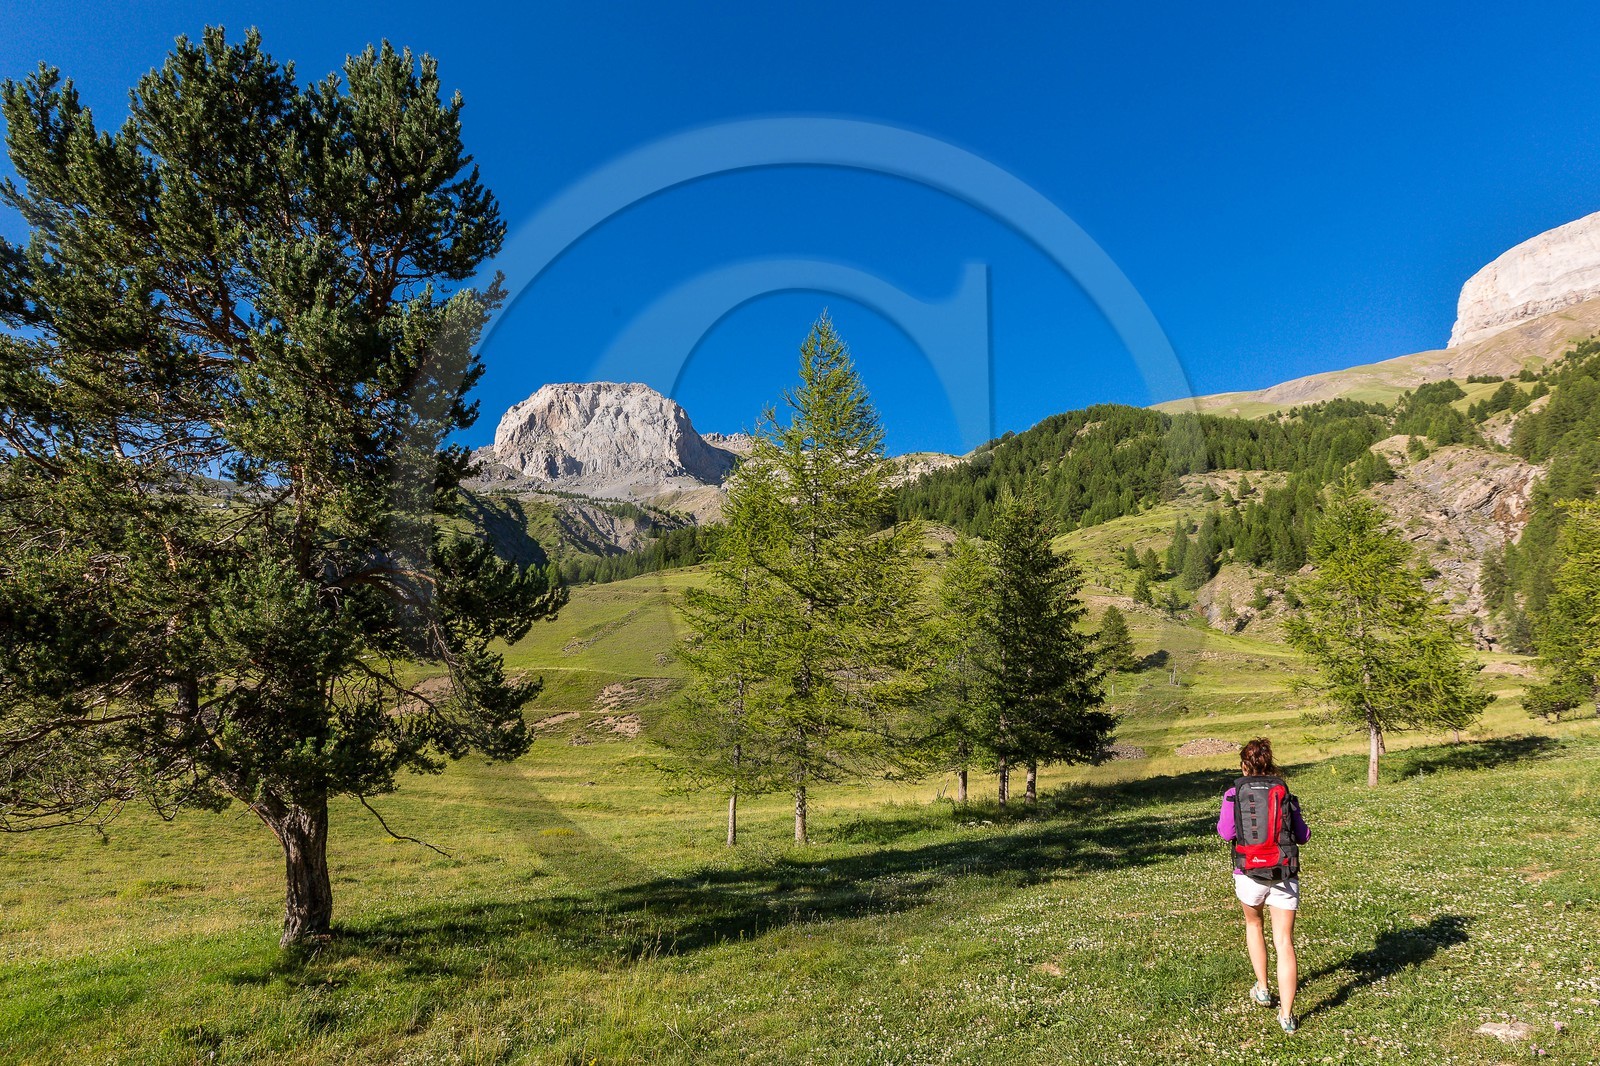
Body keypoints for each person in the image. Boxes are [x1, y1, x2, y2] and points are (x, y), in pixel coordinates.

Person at [1217, 737, 1310, 1033]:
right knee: (1284, 941)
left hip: (1248, 873)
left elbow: (1225, 832)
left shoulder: (1234, 792)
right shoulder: (1284, 791)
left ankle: (1262, 987)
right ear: (1270, 764)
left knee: (1253, 925)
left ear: (1244, 765)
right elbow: (1303, 835)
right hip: (1284, 873)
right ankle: (1286, 1016)